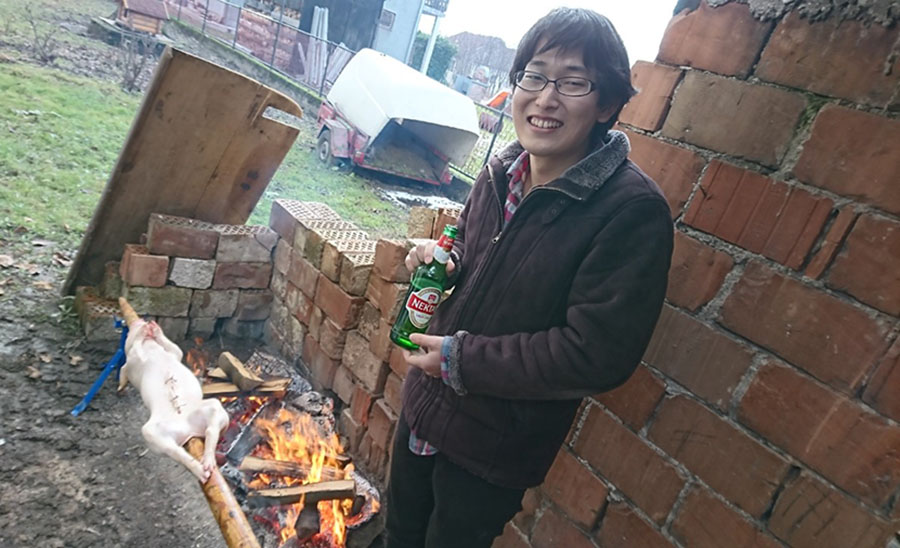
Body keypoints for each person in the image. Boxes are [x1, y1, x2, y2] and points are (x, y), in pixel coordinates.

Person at [385, 8, 674, 547]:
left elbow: (595, 354)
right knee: (398, 533)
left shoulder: (631, 212)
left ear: (607, 104)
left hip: (492, 447)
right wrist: (446, 261)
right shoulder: (501, 171)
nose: (545, 98)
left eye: (573, 82)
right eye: (534, 76)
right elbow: (476, 251)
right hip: (425, 404)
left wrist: (461, 359)